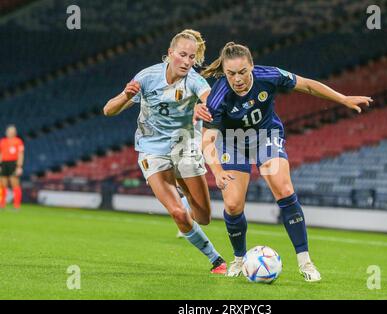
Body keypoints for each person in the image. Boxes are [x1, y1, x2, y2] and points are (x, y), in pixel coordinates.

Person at [196, 42, 373, 281]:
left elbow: (308, 86)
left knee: (285, 189)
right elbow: (207, 141)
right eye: (231, 74)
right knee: (233, 206)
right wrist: (216, 171)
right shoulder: (218, 97)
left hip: (266, 136)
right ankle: (239, 259)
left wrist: (342, 98)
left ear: (252, 67)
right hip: (233, 143)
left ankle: (305, 262)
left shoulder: (269, 75)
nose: (237, 79)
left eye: (242, 72)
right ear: (224, 73)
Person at [103, 29, 227, 274]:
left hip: (185, 147)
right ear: (170, 54)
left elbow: (210, 100)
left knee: (202, 217)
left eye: (192, 57)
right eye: (183, 55)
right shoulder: (147, 77)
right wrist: (126, 96)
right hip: (152, 149)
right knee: (179, 214)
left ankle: (182, 192)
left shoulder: (194, 80)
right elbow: (109, 110)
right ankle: (216, 260)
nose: (187, 61)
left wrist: (204, 108)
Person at [0, 125, 25, 210]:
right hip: (4, 163)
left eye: (10, 131)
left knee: (15, 184)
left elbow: (20, 154)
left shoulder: (18, 141)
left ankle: (16, 205)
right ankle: (2, 204)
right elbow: (0, 154)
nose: (8, 132)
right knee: (2, 184)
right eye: (8, 131)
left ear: (14, 133)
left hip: (13, 163)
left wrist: (19, 166)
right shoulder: (2, 141)